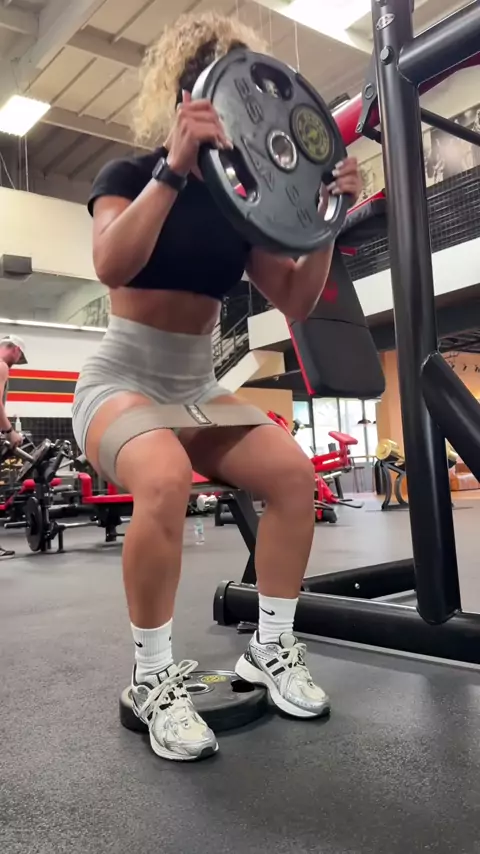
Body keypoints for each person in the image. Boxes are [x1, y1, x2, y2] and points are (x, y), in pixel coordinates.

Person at [72, 12, 362, 763]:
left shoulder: (242, 199)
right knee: (164, 477)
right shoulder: (129, 175)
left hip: (196, 386)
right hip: (122, 380)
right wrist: (173, 168)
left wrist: (328, 220)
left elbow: (295, 300)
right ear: (185, 96)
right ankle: (152, 677)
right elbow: (111, 264)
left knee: (294, 477)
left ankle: (270, 650)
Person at [0, 334, 27, 558]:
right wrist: (9, 431)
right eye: (19, 358)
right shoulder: (1, 366)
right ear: (16, 349)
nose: (17, 363)